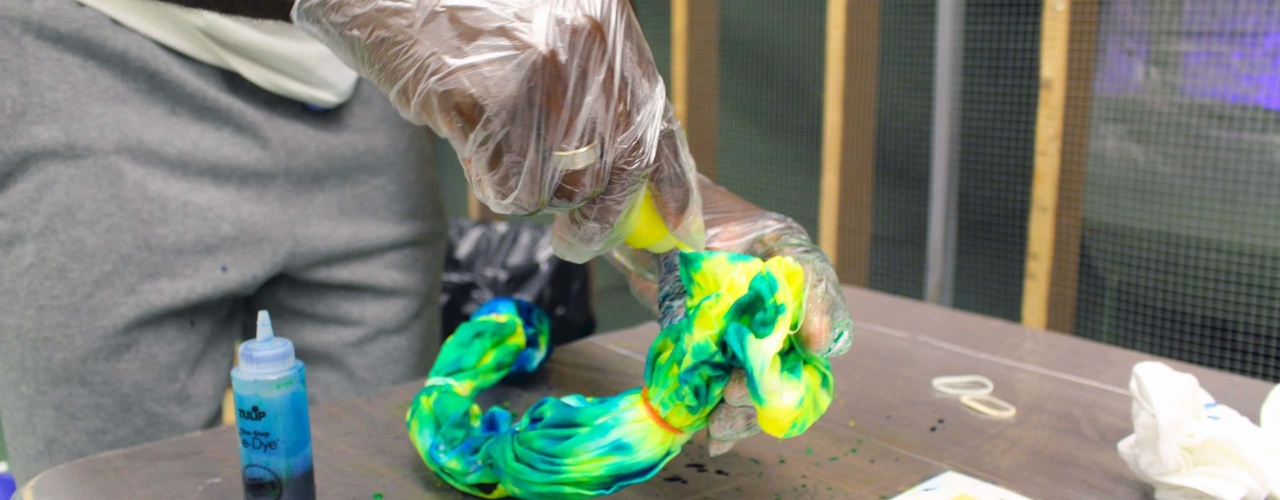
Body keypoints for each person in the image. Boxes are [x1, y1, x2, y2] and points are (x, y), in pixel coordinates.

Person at [0, 0, 852, 486]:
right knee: (96, 480)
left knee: (382, 462)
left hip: (369, 78)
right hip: (98, 55)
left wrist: (677, 220)